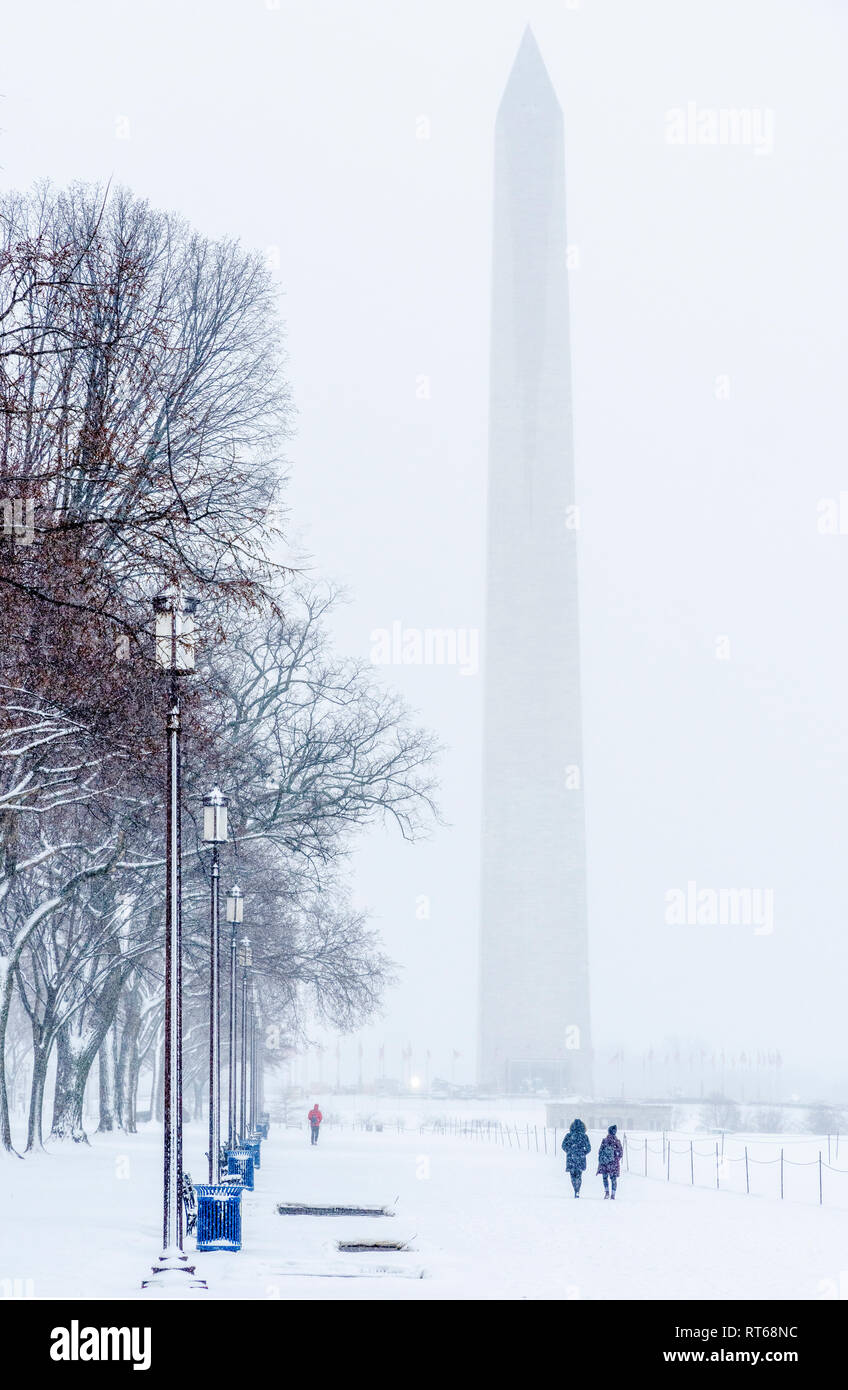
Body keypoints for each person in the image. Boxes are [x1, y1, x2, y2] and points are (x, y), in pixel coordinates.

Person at [561, 1118, 591, 1198]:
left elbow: (563, 1145)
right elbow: (589, 1148)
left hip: (571, 1157)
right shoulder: (584, 1136)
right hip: (580, 1158)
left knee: (572, 1175)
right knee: (579, 1175)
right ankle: (578, 1190)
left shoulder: (569, 1135)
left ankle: (575, 1188)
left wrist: (569, 1151)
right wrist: (583, 1153)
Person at [597, 1124, 623, 1199]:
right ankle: (613, 1194)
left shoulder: (604, 1140)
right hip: (613, 1163)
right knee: (613, 1178)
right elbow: (621, 1153)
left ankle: (607, 1192)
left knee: (605, 1178)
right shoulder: (617, 1141)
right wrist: (616, 1158)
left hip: (604, 1163)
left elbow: (600, 1151)